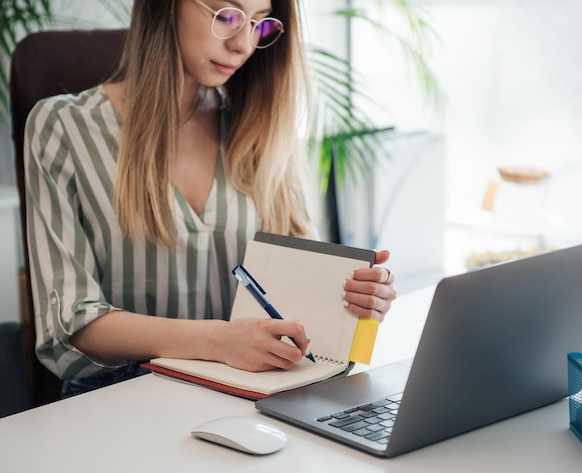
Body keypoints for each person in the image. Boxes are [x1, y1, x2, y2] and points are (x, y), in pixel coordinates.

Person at [24, 0, 397, 398]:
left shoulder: (261, 129)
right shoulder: (63, 128)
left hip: (247, 397)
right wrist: (220, 342)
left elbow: (296, 298)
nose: (244, 45)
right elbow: (71, 322)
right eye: (228, 15)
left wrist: (353, 297)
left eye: (259, 23)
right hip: (115, 399)